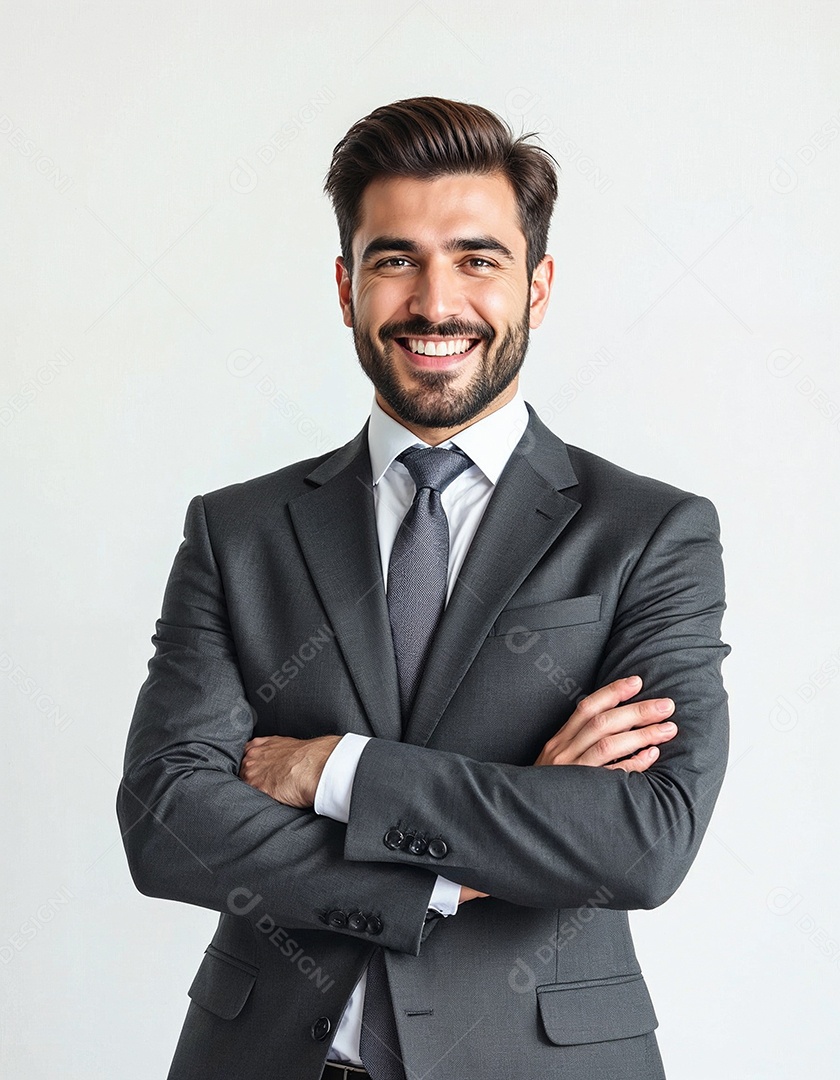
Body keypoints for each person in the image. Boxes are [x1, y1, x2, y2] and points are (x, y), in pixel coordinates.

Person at [117, 96, 730, 1080]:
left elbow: (643, 837)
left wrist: (337, 772)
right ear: (345, 285)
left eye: (477, 259)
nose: (434, 303)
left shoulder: (649, 533)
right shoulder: (239, 532)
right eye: (394, 258)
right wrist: (464, 867)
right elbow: (168, 819)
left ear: (537, 287)